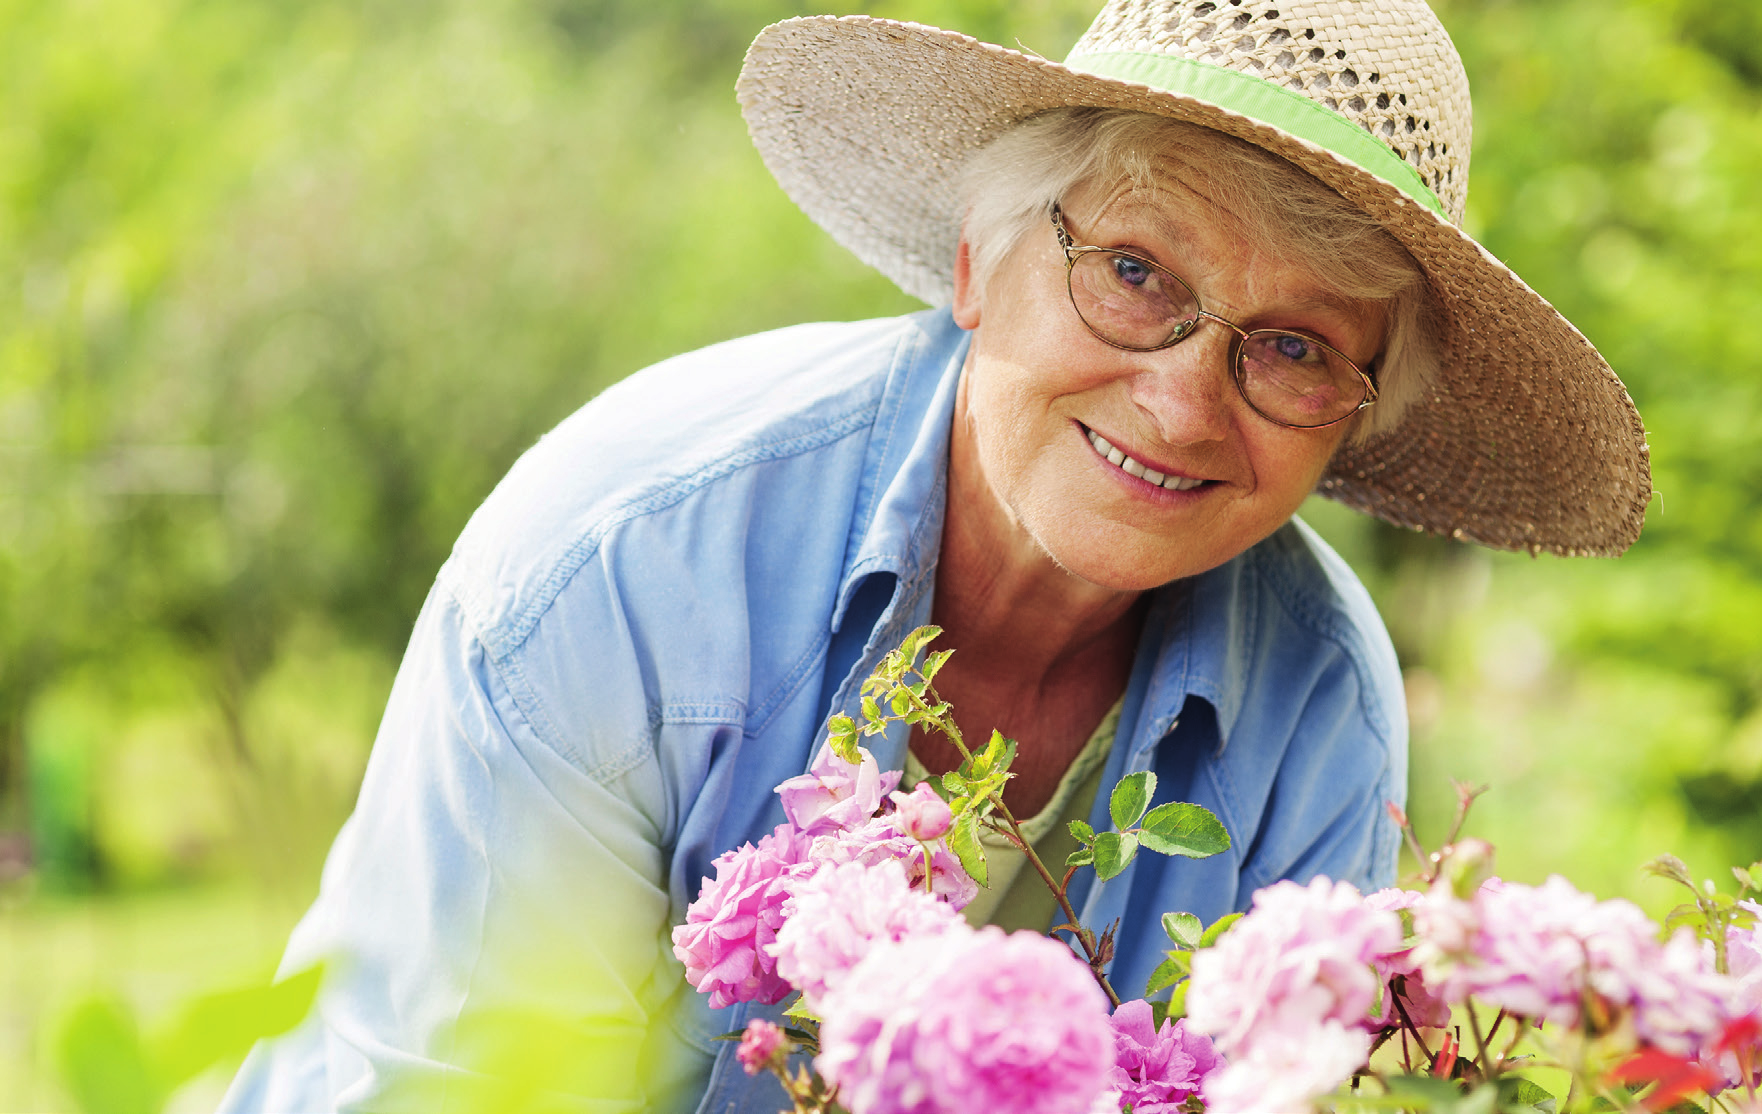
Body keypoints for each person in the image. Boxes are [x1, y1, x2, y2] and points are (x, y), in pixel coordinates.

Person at [224, 0, 1650, 1110]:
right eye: (1137, 273)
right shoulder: (630, 564)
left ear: (1345, 422)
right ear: (978, 261)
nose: (1180, 399)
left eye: (1291, 347)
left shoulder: (1317, 704)